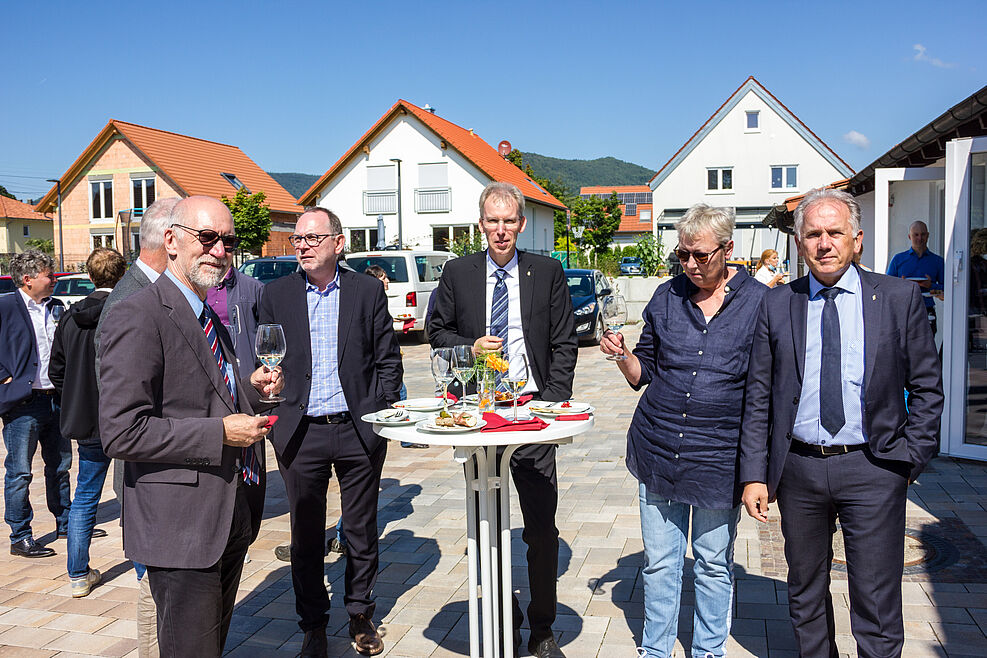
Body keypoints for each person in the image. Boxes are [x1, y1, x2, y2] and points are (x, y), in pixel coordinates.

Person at [739, 188, 943, 658]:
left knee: (875, 597)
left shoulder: (896, 298)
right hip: (799, 472)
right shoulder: (776, 304)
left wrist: (909, 460)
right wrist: (754, 474)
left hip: (874, 467)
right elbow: (759, 397)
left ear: (857, 240)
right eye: (813, 234)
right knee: (805, 592)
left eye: (834, 233)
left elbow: (929, 387)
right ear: (798, 243)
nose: (824, 243)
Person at [99, 196, 282, 656]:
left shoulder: (204, 314)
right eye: (207, 237)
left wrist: (249, 387)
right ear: (171, 240)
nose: (219, 250)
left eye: (228, 240)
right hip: (181, 527)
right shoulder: (137, 313)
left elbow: (202, 392)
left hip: (228, 513)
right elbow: (122, 431)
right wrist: (220, 433)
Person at [601, 204, 766, 658]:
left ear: (728, 250)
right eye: (683, 255)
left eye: (701, 256)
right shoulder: (666, 296)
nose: (691, 265)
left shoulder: (761, 303)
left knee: (713, 564)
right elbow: (642, 372)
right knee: (661, 565)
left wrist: (758, 470)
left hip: (718, 457)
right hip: (658, 449)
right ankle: (655, 651)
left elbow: (764, 393)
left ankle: (708, 651)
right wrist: (620, 354)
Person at [428, 181, 577, 658]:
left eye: (509, 220)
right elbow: (436, 331)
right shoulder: (457, 272)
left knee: (540, 526)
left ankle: (542, 627)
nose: (501, 230)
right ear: (480, 224)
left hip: (530, 410)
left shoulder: (547, 271)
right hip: (478, 410)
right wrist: (469, 347)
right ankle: (498, 610)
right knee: (485, 524)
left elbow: (564, 343)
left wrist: (550, 404)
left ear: (521, 223)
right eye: (492, 221)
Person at [258, 207, 402, 657]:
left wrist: (376, 414)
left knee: (360, 530)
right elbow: (266, 359)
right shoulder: (275, 294)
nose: (300, 245)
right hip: (301, 431)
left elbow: (387, 359)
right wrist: (271, 400)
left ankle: (360, 614)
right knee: (305, 534)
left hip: (358, 430)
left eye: (311, 238)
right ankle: (313, 624)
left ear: (338, 244)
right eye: (297, 239)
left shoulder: (365, 291)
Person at [95, 195, 178, 658]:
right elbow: (123, 415)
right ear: (170, 240)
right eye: (199, 237)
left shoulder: (155, 293)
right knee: (154, 595)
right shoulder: (131, 301)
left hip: (165, 468)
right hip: (148, 472)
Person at [48, 247, 126, 597]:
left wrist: (77, 398)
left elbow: (56, 372)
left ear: (90, 276)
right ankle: (144, 570)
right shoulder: (127, 310)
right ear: (122, 275)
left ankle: (78, 575)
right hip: (125, 416)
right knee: (133, 493)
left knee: (85, 495)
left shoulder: (69, 316)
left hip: (87, 420)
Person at [0, 250, 72, 559]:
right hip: (23, 404)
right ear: (28, 279)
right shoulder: (5, 306)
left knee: (61, 466)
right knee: (20, 472)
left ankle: (67, 522)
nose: (54, 280)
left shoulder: (55, 307)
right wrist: (4, 378)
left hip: (55, 399)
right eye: (49, 275)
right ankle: (21, 535)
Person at [886, 220, 945, 333]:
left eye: (923, 234)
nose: (919, 238)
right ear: (909, 236)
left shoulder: (937, 261)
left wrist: (930, 286)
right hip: (903, 310)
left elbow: (946, 291)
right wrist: (901, 285)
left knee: (926, 348)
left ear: (928, 236)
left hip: (927, 310)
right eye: (916, 235)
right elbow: (888, 287)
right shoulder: (898, 259)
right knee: (903, 348)